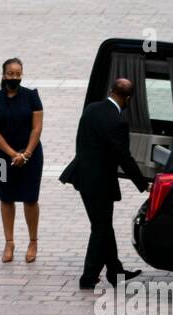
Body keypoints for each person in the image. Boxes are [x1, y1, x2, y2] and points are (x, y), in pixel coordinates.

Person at [60, 77, 149, 289]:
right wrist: (144, 184)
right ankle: (88, 278)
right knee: (100, 229)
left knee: (104, 228)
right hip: (100, 184)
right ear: (127, 98)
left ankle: (115, 272)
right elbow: (124, 157)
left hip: (83, 176)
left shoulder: (91, 109)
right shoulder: (117, 122)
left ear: (111, 90)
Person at [0, 57, 44, 263]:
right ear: (3, 75)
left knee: (30, 198)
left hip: (31, 155)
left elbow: (37, 127)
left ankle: (33, 241)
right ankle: (9, 242)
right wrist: (12, 154)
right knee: (5, 197)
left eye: (18, 74)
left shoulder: (32, 96)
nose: (15, 77)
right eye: (11, 73)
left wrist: (26, 154)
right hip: (2, 158)